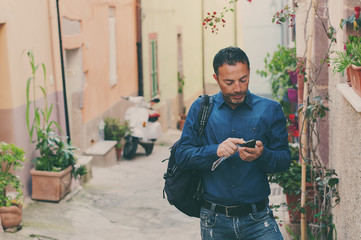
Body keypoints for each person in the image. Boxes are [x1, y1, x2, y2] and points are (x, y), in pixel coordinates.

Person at [175, 46, 291, 240]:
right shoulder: (201, 109)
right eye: (229, 82)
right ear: (216, 78)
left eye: (243, 80)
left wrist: (263, 155)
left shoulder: (270, 109)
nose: (238, 88)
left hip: (259, 220)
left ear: (249, 73)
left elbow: (284, 160)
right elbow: (182, 155)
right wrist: (215, 151)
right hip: (214, 221)